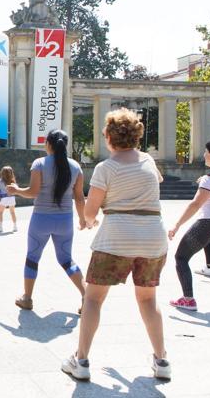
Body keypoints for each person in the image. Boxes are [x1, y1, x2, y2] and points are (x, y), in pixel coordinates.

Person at [62, 108, 171, 381]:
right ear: (136, 136)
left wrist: (90, 220)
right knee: (148, 299)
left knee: (93, 299)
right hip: (153, 237)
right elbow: (153, 183)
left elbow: (90, 212)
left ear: (109, 137)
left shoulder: (105, 168)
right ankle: (162, 360)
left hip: (116, 237)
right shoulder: (147, 161)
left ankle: (82, 360)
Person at [7, 129, 86, 312]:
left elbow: (33, 192)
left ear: (48, 144)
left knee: (33, 258)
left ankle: (27, 298)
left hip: (41, 219)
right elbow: (80, 198)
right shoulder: (76, 167)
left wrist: (17, 190)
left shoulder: (39, 163)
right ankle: (86, 295)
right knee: (66, 260)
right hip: (65, 220)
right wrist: (82, 219)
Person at [168, 139, 210, 311]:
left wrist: (177, 225)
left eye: (206, 152)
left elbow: (195, 205)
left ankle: (188, 299)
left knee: (181, 258)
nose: (203, 155)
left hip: (208, 223)